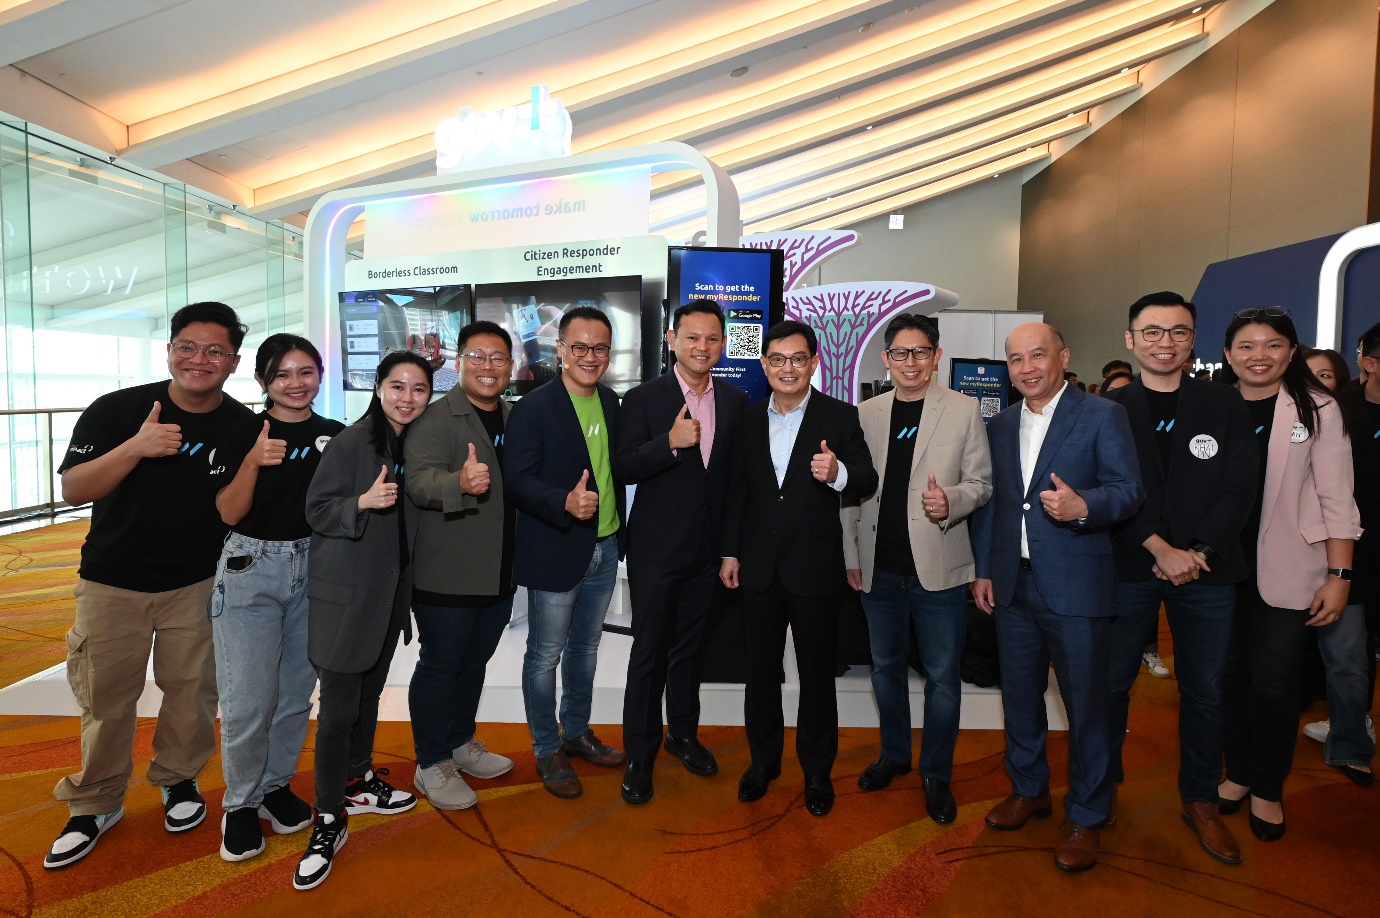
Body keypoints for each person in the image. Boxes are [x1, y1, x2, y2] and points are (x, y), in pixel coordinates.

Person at [46, 302, 254, 870]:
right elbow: (73, 489)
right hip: (113, 582)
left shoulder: (239, 425)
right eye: (188, 346)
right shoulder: (117, 410)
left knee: (192, 693)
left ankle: (178, 779)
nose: (199, 359)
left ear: (232, 363)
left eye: (215, 351)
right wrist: (135, 447)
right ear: (169, 350)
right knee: (106, 697)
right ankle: (95, 802)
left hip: (196, 581)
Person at [970, 322, 1142, 873]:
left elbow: (1128, 490)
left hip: (1076, 584)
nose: (1027, 368)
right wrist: (984, 571)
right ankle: (1030, 790)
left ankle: (1087, 813)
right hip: (1013, 585)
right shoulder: (997, 425)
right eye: (1015, 359)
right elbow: (995, 507)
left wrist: (1084, 506)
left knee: (1086, 706)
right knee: (1019, 697)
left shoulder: (1102, 415)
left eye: (1037, 355)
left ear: (1063, 356)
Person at [1102, 292, 1258, 865]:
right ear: (1131, 340)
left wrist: (1194, 551)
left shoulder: (1224, 403)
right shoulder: (1111, 405)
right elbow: (1108, 489)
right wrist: (1160, 548)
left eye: (1178, 332)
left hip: (1208, 571)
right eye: (1152, 332)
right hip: (1131, 563)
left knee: (1206, 691)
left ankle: (1200, 798)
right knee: (1113, 684)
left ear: (1193, 340)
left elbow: (1240, 489)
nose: (1165, 342)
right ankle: (1101, 790)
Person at [720, 320, 878, 818]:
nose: (788, 368)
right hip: (759, 569)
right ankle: (762, 763)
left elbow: (868, 479)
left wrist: (839, 475)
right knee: (760, 674)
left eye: (797, 359)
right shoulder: (746, 422)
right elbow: (737, 494)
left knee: (816, 676)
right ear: (765, 365)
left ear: (814, 363)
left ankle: (816, 771)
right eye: (777, 359)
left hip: (814, 568)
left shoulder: (840, 415)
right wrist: (729, 552)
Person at [1216, 309, 1362, 841]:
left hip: (1291, 567)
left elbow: (1338, 499)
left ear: (1291, 351)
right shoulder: (1213, 406)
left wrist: (1339, 573)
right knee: (1227, 678)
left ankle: (1268, 786)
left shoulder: (1317, 408)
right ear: (1228, 353)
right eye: (1247, 346)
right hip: (1219, 568)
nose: (1260, 356)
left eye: (1273, 345)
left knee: (1274, 683)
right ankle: (1239, 772)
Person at [841, 313, 992, 823]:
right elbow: (852, 492)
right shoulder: (865, 413)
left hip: (939, 570)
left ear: (936, 357)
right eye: (901, 353)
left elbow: (982, 484)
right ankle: (894, 754)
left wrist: (950, 500)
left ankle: (936, 772)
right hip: (877, 569)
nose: (911, 362)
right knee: (884, 669)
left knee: (943, 677)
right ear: (885, 359)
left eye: (921, 352)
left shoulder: (965, 410)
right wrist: (849, 556)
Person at [293, 351, 433, 891]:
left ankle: (359, 779)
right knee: (336, 712)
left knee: (368, 696)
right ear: (378, 388)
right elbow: (317, 509)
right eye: (397, 386)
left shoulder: (410, 444)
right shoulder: (353, 443)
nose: (407, 397)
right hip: (347, 600)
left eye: (418, 389)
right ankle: (328, 817)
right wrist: (363, 501)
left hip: (385, 596)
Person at [208, 334, 343, 861]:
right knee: (247, 699)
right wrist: (253, 462)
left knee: (293, 694)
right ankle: (239, 804)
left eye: (305, 371)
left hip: (315, 568)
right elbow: (228, 513)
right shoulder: (240, 432)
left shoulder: (336, 435)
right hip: (250, 567)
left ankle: (274, 785)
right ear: (264, 380)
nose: (295, 383)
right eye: (282, 374)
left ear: (320, 375)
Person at [614, 300, 748, 804]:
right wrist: (668, 444)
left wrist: (731, 551)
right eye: (692, 337)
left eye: (712, 339)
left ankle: (683, 735)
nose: (702, 347)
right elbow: (624, 466)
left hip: (708, 554)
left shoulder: (735, 400)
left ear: (723, 344)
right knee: (649, 653)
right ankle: (640, 754)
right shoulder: (643, 399)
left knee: (690, 651)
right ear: (672, 340)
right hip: (656, 550)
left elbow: (734, 485)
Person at [505, 306, 628, 799]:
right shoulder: (533, 407)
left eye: (599, 348)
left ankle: (576, 732)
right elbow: (516, 481)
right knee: (545, 655)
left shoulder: (614, 404)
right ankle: (546, 747)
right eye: (579, 347)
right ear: (560, 349)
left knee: (586, 649)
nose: (590, 357)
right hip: (555, 547)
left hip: (606, 545)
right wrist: (563, 502)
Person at [404, 322, 520, 811]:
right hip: (446, 572)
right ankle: (430, 762)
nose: (488, 367)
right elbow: (419, 481)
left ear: (511, 367)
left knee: (473, 664)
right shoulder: (436, 418)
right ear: (458, 362)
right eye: (478, 356)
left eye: (498, 358)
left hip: (498, 571)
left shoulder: (516, 417)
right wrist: (460, 482)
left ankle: (459, 741)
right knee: (440, 666)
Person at [1298, 342, 1374, 786]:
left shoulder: (1355, 428)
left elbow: (1345, 504)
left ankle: (1350, 745)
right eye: (1305, 377)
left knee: (1347, 659)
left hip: (1342, 559)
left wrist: (1342, 570)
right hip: (1284, 562)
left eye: (1324, 377)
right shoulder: (1275, 425)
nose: (1313, 386)